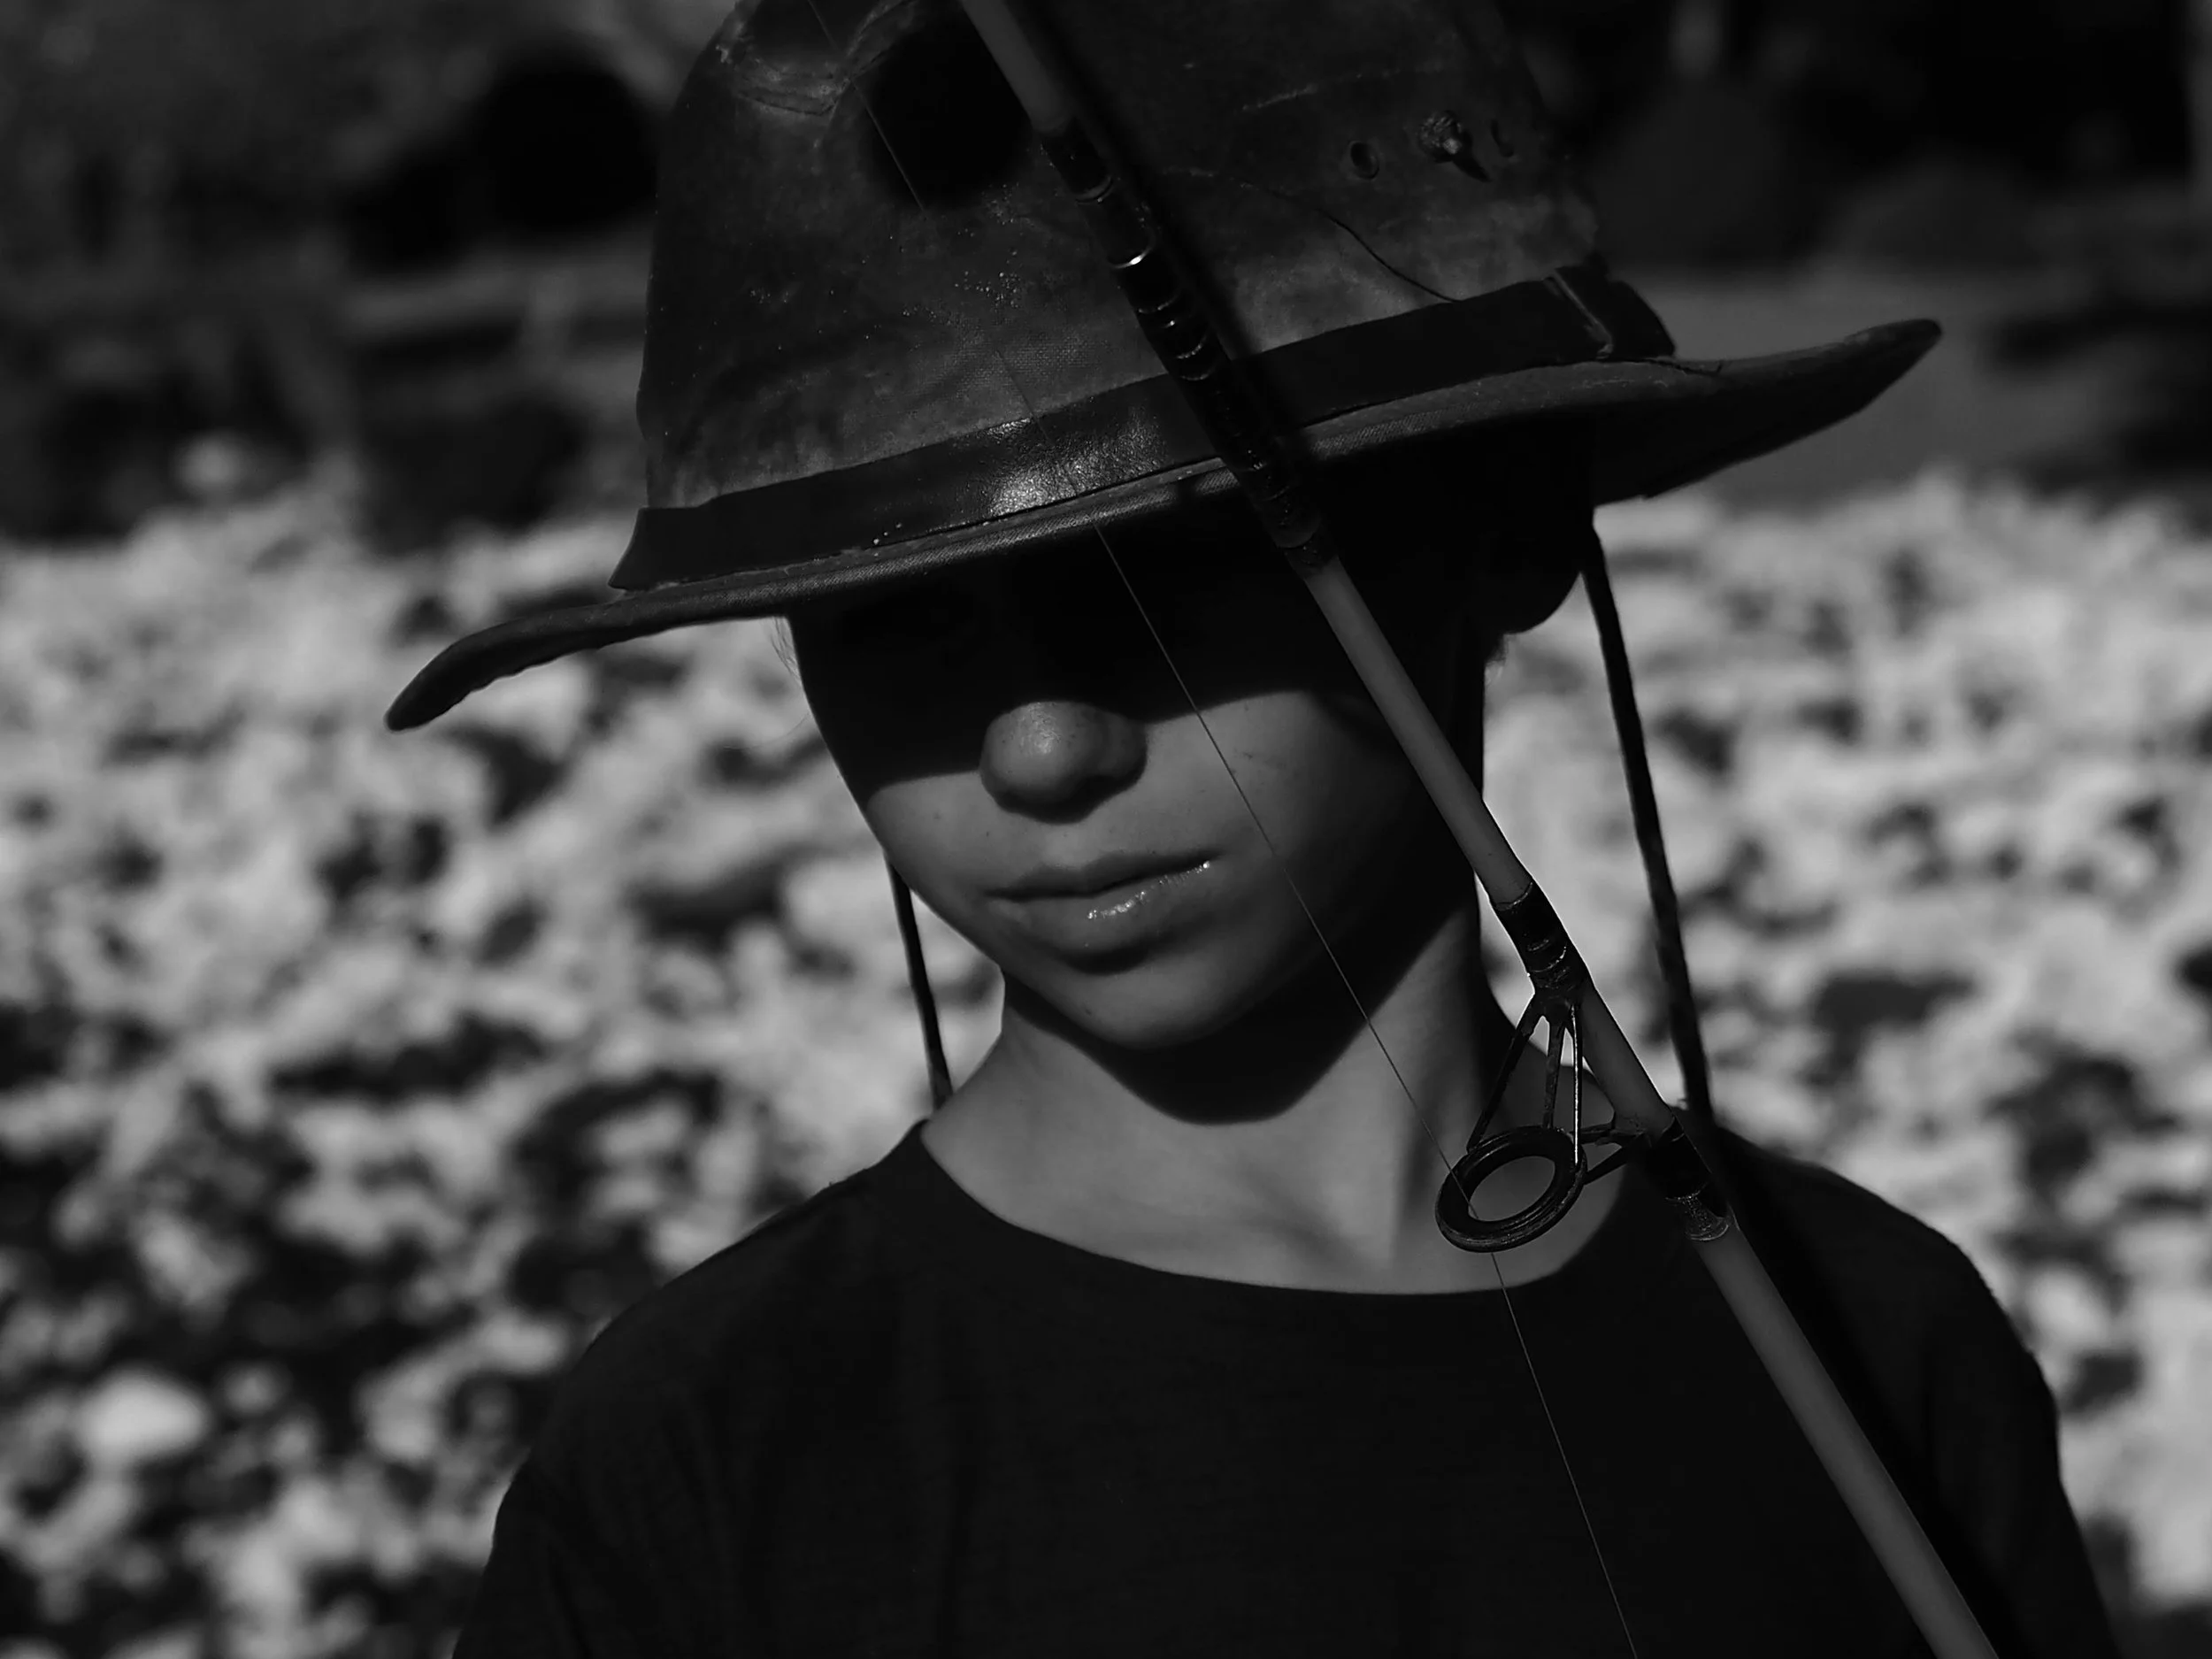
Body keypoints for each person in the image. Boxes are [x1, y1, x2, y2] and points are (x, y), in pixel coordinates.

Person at [387, 0, 2126, 1653]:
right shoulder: (713, 1465)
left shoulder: (1867, 1351)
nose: (1045, 745)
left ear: (1506, 524)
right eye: (897, 619)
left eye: (1172, 566)